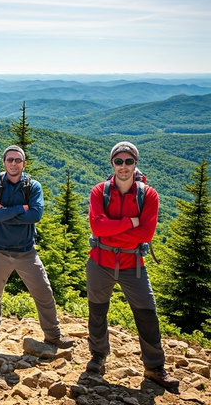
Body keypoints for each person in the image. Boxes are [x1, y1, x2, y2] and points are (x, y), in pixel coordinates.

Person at [86, 141, 179, 389]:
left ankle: (154, 367)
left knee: (147, 312)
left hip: (132, 263)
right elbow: (97, 228)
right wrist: (131, 222)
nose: (123, 166)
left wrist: (113, 230)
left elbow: (146, 234)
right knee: (97, 311)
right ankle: (97, 356)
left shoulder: (148, 194)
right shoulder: (99, 191)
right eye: (119, 161)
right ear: (112, 164)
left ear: (135, 163)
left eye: (128, 161)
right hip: (100, 261)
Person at [0, 145, 74, 349]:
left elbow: (36, 216)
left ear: (24, 163)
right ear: (4, 162)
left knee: (44, 292)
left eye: (18, 160)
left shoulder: (33, 186)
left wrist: (5, 212)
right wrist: (21, 209)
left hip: (27, 251)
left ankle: (53, 334)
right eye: (10, 160)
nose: (14, 163)